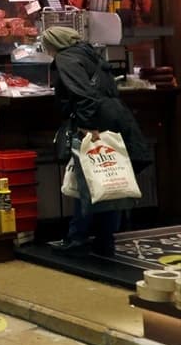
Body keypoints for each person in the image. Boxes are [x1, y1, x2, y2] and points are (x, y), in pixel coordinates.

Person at [42, 26, 151, 256]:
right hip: (116, 117)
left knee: (88, 179)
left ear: (52, 44)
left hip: (94, 122)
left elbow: (82, 94)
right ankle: (105, 239)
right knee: (111, 178)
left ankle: (78, 239)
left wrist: (87, 126)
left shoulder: (66, 58)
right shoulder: (90, 53)